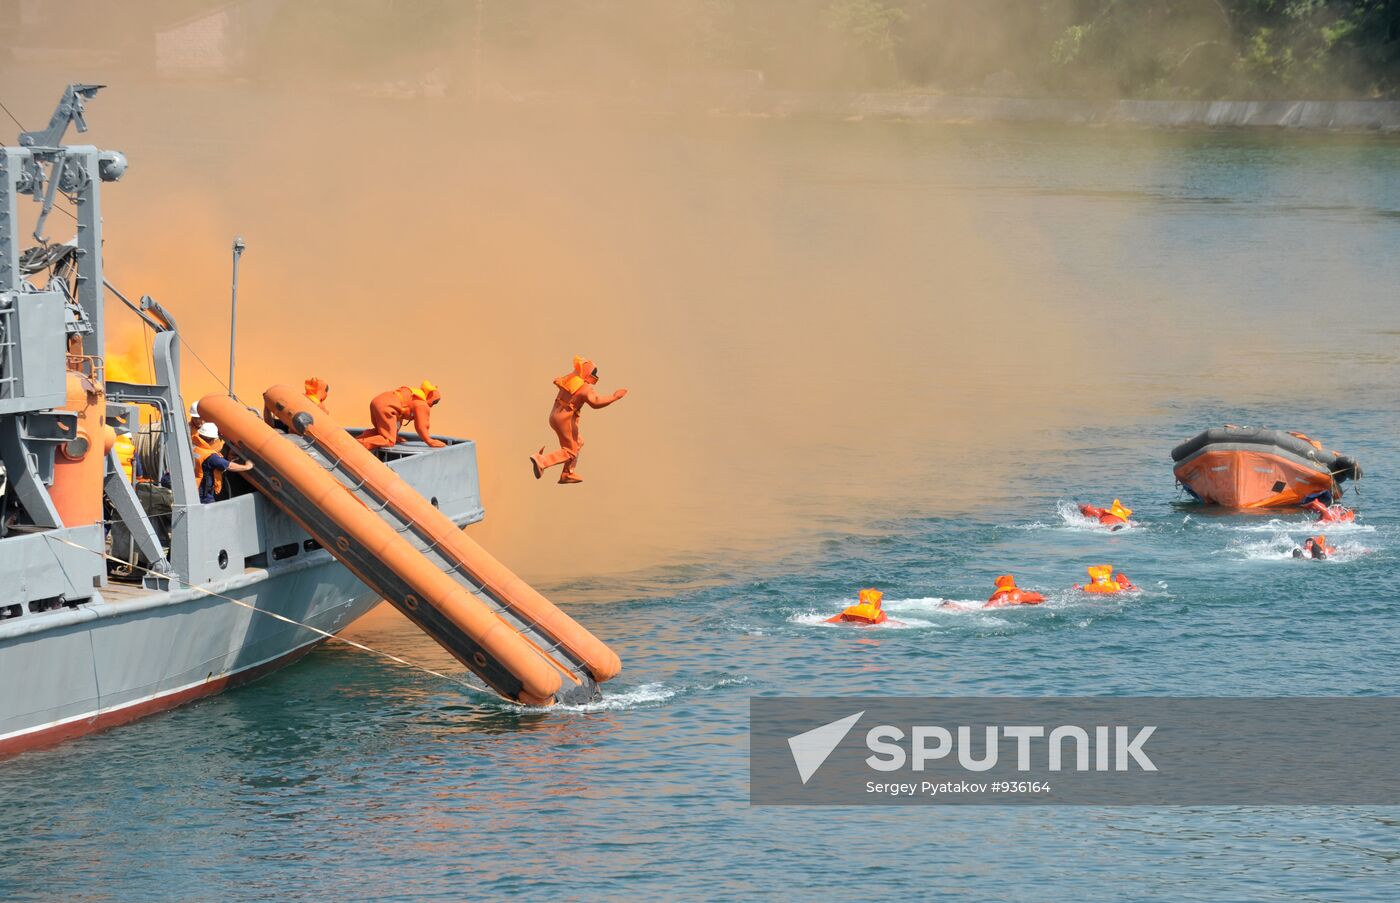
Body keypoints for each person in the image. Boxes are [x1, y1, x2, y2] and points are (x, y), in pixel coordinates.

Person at [529, 356, 627, 484]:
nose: (595, 376)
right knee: (570, 452)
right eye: (593, 373)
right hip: (564, 420)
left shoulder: (571, 379)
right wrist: (615, 397)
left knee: (578, 441)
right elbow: (596, 402)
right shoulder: (584, 388)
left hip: (555, 416)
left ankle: (567, 473)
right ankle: (542, 460)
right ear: (588, 373)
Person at [358, 381, 446, 451]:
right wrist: (430, 441)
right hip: (386, 408)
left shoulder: (412, 394)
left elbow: (398, 416)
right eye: (435, 402)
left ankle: (358, 439)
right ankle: (358, 446)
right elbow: (422, 426)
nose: (433, 405)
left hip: (377, 402)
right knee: (388, 440)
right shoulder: (421, 404)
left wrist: (395, 435)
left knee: (380, 432)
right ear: (430, 398)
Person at [192, 422, 253, 503]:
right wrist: (247, 466)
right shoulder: (210, 456)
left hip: (195, 486)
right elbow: (229, 466)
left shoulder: (194, 446)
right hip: (204, 492)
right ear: (213, 439)